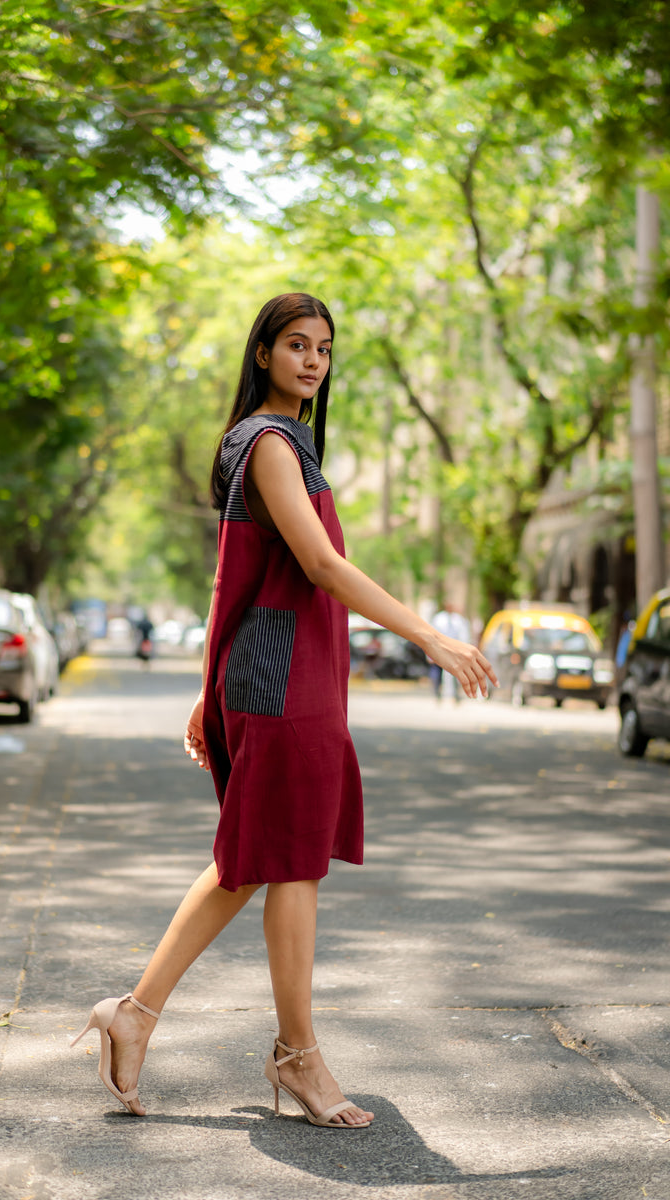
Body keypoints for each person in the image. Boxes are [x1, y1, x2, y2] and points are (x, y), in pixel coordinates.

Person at [72, 293, 498, 1128]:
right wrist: (430, 637)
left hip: (283, 676)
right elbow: (319, 565)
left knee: (258, 858)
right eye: (296, 345)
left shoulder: (285, 445)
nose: (312, 361)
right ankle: (296, 1056)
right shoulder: (268, 443)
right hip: (283, 681)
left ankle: (135, 1013)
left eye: (325, 349)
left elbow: (236, 575)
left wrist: (208, 687)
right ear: (263, 353)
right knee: (287, 860)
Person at [429, 603, 472, 701]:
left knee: (456, 672)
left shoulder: (458, 620)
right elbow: (432, 635)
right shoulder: (439, 619)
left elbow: (463, 635)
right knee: (437, 672)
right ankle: (437, 692)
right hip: (439, 649)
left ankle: (456, 694)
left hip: (454, 650)